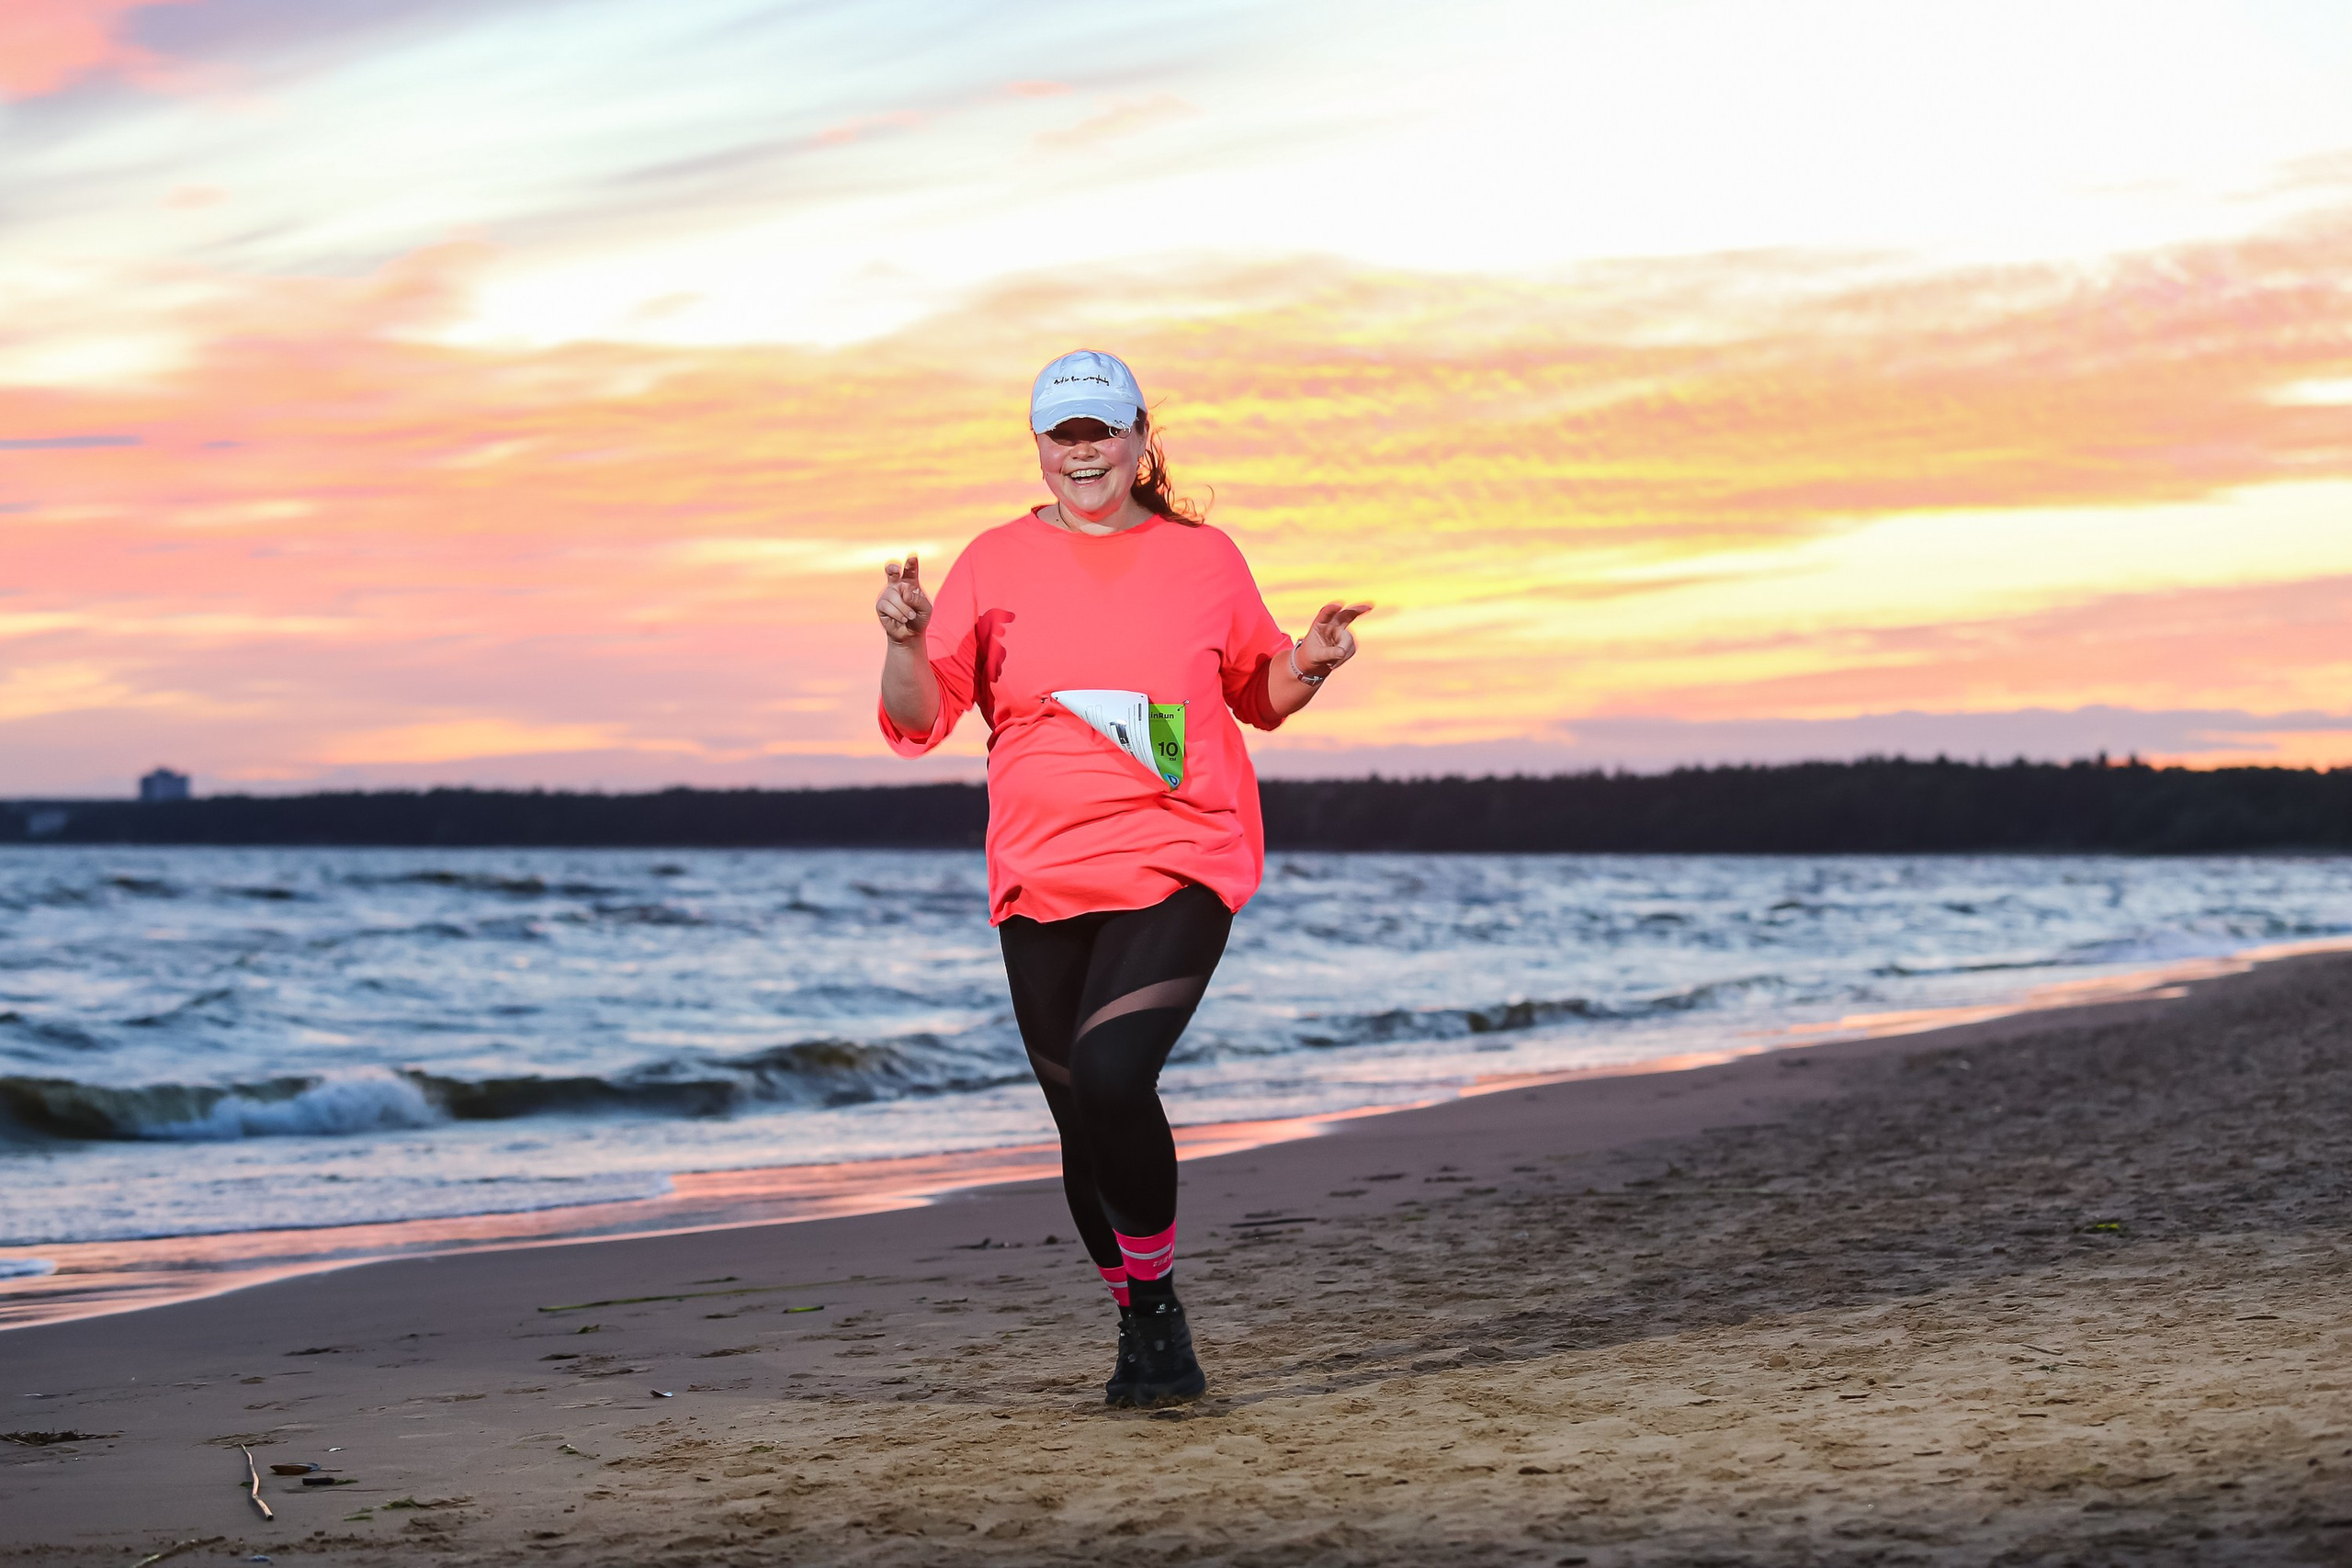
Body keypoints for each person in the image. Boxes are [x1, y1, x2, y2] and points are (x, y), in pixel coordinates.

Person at [873, 349, 1369, 1407]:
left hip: (1180, 853)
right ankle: (1144, 1322)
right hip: (1040, 873)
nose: (1084, 451)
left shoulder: (1204, 558)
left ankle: (1155, 1313)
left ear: (1140, 438)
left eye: (1101, 430)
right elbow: (919, 719)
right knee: (1079, 1121)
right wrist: (905, 641)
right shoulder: (991, 563)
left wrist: (1309, 661)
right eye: (1064, 434)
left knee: (1110, 1076)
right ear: (1038, 447)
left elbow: (1258, 693)